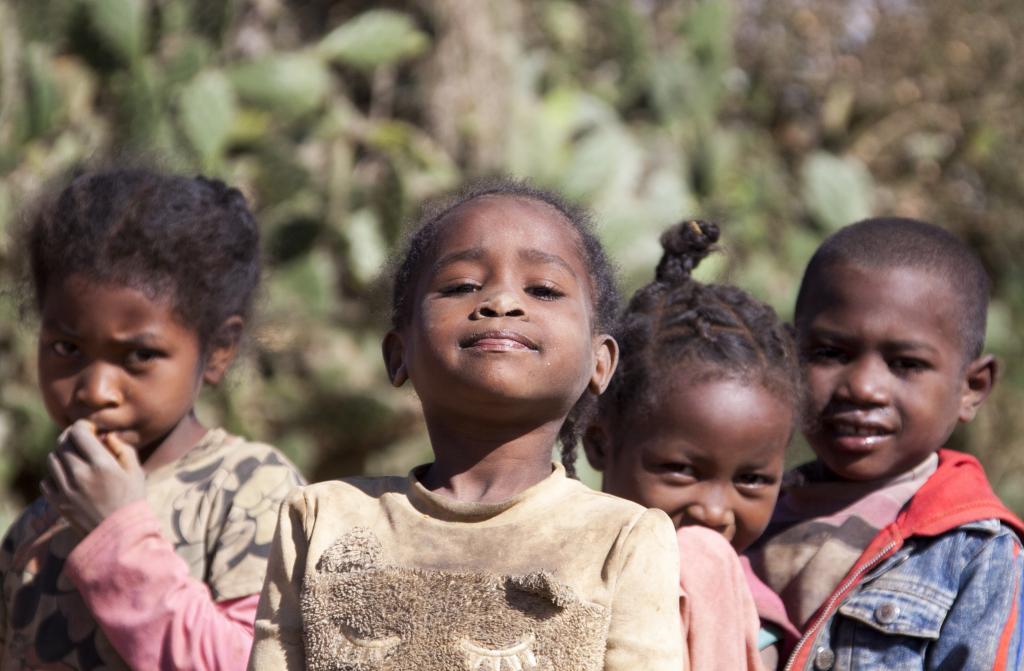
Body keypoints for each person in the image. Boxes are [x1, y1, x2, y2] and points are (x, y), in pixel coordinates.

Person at [248, 179, 684, 670]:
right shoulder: (321, 519)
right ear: (399, 354)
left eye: (543, 289)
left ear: (599, 363)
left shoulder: (622, 538)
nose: (501, 301)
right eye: (461, 286)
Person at [0, 169, 305, 670]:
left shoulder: (251, 490)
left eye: (139, 356)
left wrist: (115, 530)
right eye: (65, 347)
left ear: (218, 351)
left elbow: (250, 662)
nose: (95, 390)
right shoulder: (36, 524)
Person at [748, 217, 1024, 670]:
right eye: (830, 353)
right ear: (788, 356)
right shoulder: (744, 510)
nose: (863, 387)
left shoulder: (976, 554)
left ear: (971, 388)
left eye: (905, 363)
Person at [584, 219, 801, 670]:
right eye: (683, 470)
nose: (715, 511)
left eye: (752, 479)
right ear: (601, 443)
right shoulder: (557, 569)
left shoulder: (755, 626)